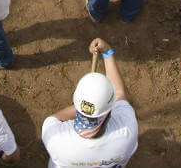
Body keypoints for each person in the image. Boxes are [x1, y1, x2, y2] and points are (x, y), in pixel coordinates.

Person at [42, 39, 138, 167]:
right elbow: (119, 94)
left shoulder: (54, 137)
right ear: (110, 109)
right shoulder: (127, 131)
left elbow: (55, 118)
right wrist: (107, 52)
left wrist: (84, 105)